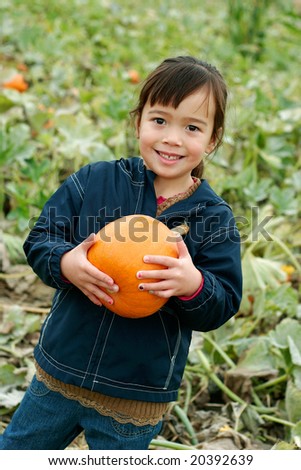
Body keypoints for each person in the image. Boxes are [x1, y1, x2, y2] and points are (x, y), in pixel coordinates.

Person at [0, 56, 242, 450]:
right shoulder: (94, 181)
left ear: (212, 140)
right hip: (61, 371)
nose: (172, 138)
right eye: (160, 121)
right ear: (138, 122)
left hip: (136, 393)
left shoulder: (213, 217)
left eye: (192, 127)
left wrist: (192, 284)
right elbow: (41, 237)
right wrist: (66, 263)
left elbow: (224, 301)